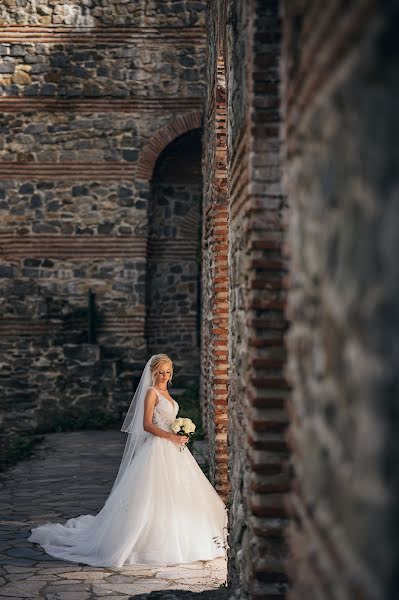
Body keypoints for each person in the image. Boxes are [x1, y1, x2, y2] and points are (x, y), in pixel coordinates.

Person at [28, 353, 228, 567]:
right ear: (153, 372)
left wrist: (179, 430)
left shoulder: (167, 392)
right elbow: (147, 425)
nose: (164, 375)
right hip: (158, 447)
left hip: (174, 448)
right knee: (152, 495)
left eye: (167, 372)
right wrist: (171, 435)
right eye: (160, 372)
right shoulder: (151, 393)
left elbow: (168, 419)